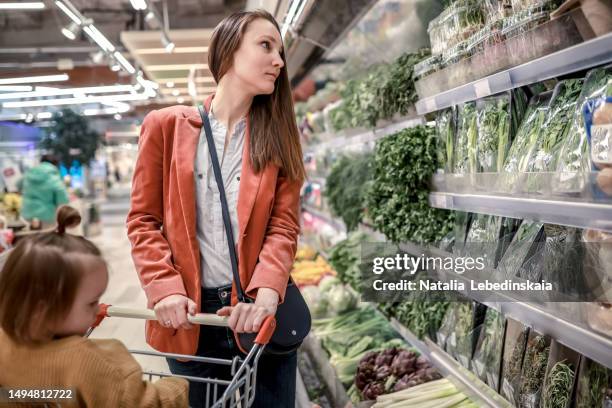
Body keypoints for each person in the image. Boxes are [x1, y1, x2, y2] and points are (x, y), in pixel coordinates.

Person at [127, 9, 305, 408]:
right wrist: (164, 289)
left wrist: (265, 296)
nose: (279, 60)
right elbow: (143, 220)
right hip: (190, 318)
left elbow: (284, 228)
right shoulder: (165, 127)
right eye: (266, 45)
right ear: (229, 50)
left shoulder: (278, 140)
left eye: (280, 51)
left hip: (258, 320)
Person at [0, 205, 189, 407]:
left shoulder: (6, 345)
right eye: (91, 302)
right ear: (42, 309)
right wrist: (178, 387)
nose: (97, 308)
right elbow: (145, 404)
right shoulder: (87, 363)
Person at [19, 154, 69, 228]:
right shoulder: (53, 176)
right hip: (47, 215)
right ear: (55, 164)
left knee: (30, 238)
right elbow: (62, 198)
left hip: (27, 213)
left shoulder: (30, 173)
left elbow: (18, 184)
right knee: (48, 238)